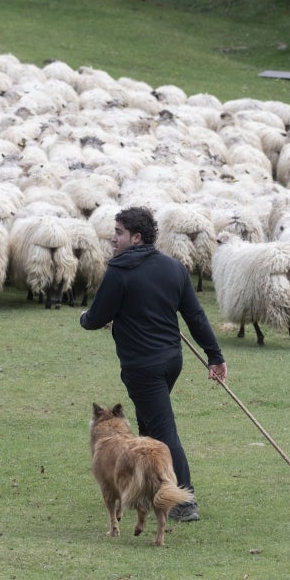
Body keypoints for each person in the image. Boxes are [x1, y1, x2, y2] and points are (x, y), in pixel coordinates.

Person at [79, 206, 227, 522]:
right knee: (148, 426)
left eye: (118, 233)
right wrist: (214, 355)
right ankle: (146, 487)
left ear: (137, 237)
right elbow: (195, 316)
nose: (113, 238)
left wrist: (84, 318)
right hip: (171, 361)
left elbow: (96, 318)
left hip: (142, 368)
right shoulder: (174, 269)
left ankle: (184, 500)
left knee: (162, 431)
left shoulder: (119, 272)